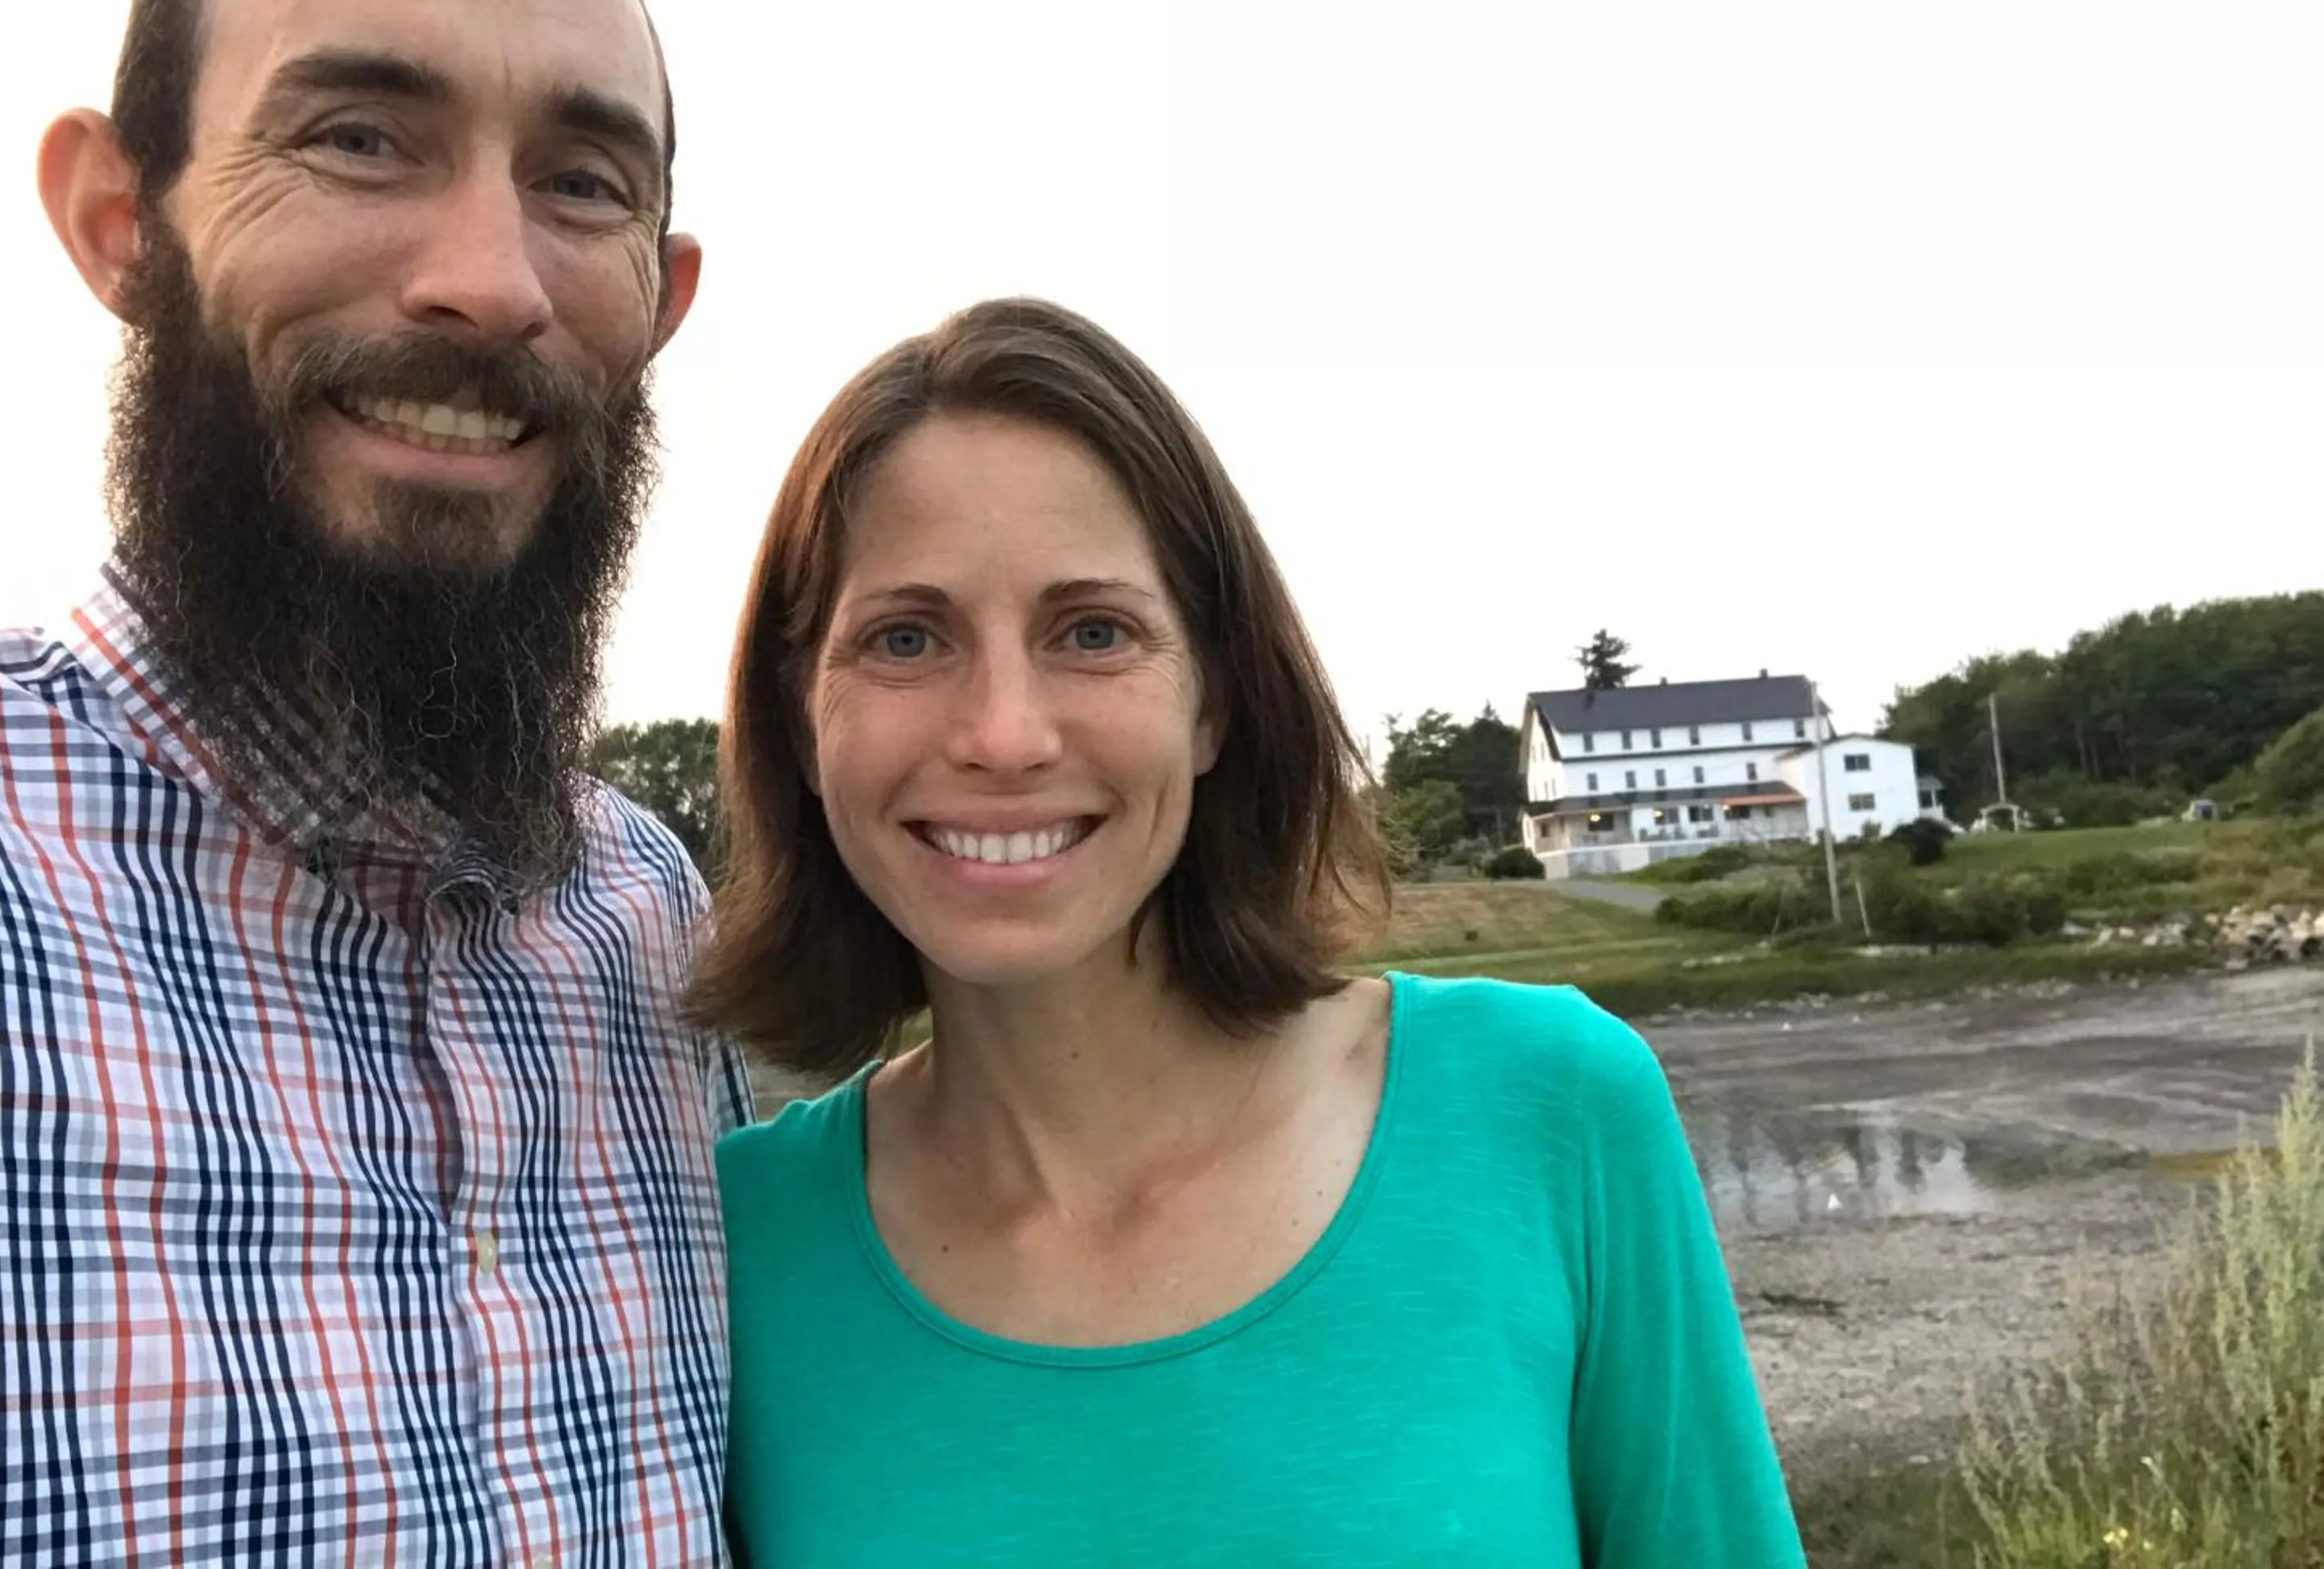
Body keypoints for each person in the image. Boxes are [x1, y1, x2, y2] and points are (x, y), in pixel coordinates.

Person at [0, 0, 752, 1563]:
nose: (488, 282)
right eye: (361, 137)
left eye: (582, 184)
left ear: (659, 299)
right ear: (119, 222)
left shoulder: (650, 922)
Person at [695, 298, 1807, 1567]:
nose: (1003, 733)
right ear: (797, 719)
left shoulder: (1547, 1111)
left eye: (1093, 632)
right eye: (906, 637)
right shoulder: (737, 1242)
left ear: (1214, 700)